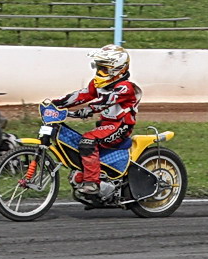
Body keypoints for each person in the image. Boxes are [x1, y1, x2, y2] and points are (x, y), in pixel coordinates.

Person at [51, 44, 141, 195]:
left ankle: (93, 183)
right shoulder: (99, 84)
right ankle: (89, 172)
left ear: (119, 69)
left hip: (120, 126)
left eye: (104, 69)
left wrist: (87, 110)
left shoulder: (125, 87)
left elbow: (107, 100)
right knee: (75, 141)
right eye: (98, 68)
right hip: (105, 125)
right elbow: (83, 95)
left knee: (87, 141)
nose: (99, 72)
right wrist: (57, 103)